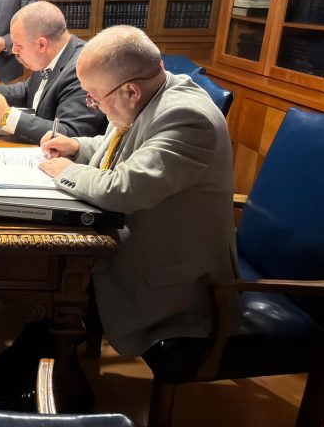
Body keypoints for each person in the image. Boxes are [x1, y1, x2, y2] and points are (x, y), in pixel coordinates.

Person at [37, 25, 237, 358]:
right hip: (135, 243)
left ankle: (57, 378)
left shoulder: (188, 117)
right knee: (45, 300)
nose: (94, 106)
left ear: (130, 91)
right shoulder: (150, 93)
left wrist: (66, 171)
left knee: (50, 301)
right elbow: (123, 146)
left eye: (95, 98)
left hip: (170, 282)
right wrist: (77, 146)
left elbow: (123, 188)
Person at [0, 2, 106, 144]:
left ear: (41, 44)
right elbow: (28, 90)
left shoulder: (83, 69)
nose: (14, 51)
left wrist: (6, 117)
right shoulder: (50, 55)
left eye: (18, 45)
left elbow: (71, 135)